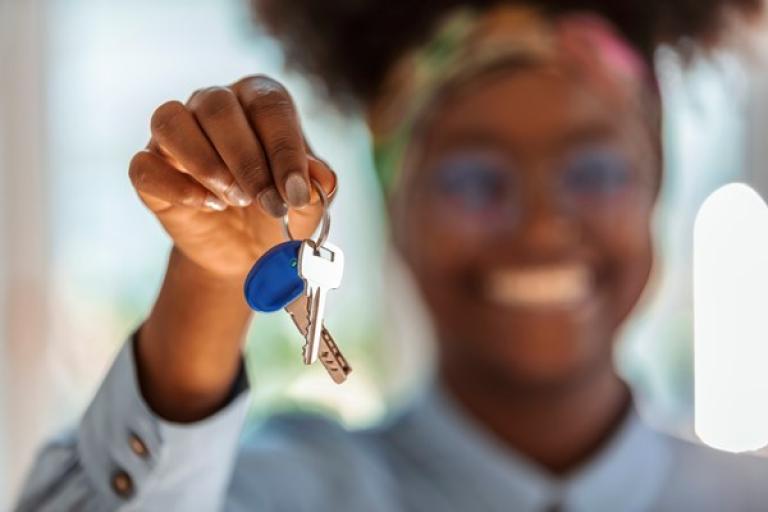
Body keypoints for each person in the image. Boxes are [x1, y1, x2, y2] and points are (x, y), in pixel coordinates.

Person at [15, 0, 768, 511]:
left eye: (595, 172)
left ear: (656, 188)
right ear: (392, 203)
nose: (541, 226)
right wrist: (213, 282)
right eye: (475, 179)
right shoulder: (282, 491)